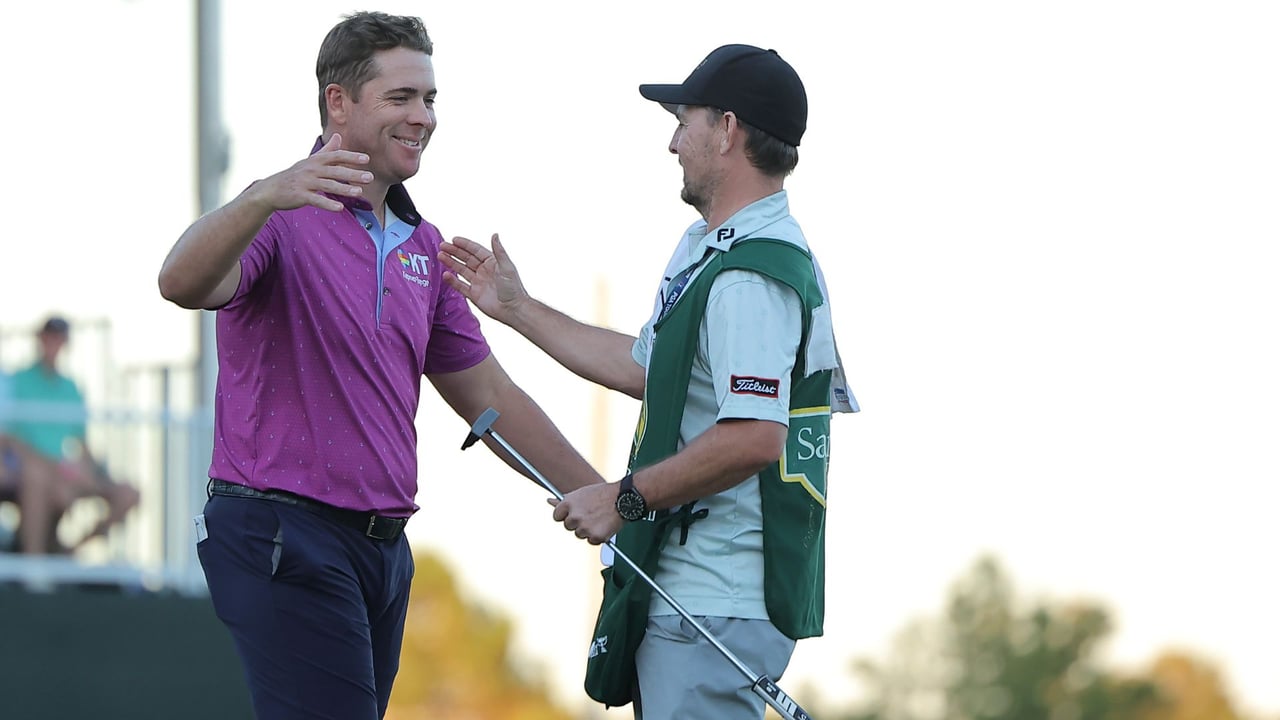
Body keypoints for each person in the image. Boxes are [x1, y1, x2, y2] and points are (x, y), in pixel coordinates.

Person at [156, 11, 603, 720]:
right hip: (282, 533)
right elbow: (180, 282)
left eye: (429, 100)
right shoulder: (274, 214)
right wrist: (261, 194)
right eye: (401, 99)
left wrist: (614, 497)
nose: (422, 117)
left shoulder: (423, 244)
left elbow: (490, 397)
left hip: (382, 552)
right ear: (340, 102)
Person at [439, 44, 858, 719]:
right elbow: (647, 371)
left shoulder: (751, 274)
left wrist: (623, 499)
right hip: (694, 598)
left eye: (682, 120)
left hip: (716, 601)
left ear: (727, 130)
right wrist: (517, 309)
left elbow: (754, 436)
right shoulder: (710, 247)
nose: (671, 142)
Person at [3, 316, 140, 554]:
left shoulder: (71, 387)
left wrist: (87, 469)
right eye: (49, 337)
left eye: (59, 338)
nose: (53, 344)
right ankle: (34, 568)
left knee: (128, 494)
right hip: (33, 471)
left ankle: (70, 552)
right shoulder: (17, 381)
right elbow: (9, 438)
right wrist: (55, 469)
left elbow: (81, 442)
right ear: (40, 339)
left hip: (64, 474)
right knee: (40, 481)